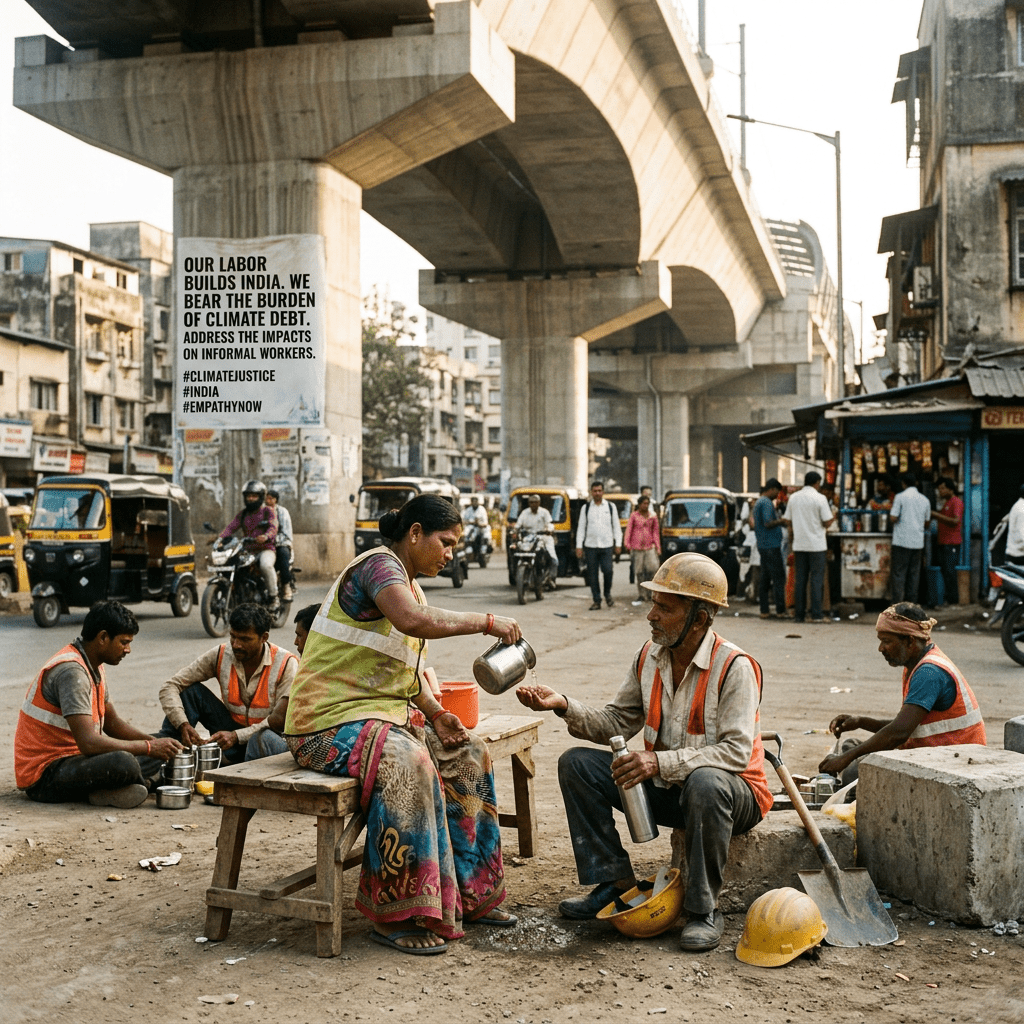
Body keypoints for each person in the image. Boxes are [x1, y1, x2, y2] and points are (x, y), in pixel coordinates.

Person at [283, 494, 522, 955]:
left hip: (376, 722)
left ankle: (471, 893)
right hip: (321, 726)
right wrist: (487, 621)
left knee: (469, 751)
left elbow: (404, 672)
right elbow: (414, 622)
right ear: (415, 533)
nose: (450, 553)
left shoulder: (412, 585)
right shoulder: (376, 567)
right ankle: (398, 912)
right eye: (445, 542)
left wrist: (436, 714)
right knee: (407, 760)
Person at [517, 553, 772, 953]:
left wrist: (657, 761)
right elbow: (617, 721)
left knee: (706, 781)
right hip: (673, 790)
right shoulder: (650, 656)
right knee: (577, 764)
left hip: (731, 797)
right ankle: (613, 881)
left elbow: (736, 754)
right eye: (653, 604)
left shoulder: (734, 666)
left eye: (664, 608)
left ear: (699, 619)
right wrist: (563, 705)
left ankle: (704, 909)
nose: (651, 615)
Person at [15, 601, 183, 807]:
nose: (128, 650)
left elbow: (113, 724)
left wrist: (155, 744)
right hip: (45, 775)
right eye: (124, 642)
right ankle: (139, 784)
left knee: (164, 741)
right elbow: (89, 743)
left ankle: (114, 789)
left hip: (78, 758)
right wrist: (148, 748)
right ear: (103, 637)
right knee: (125, 763)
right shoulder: (71, 672)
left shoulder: (93, 665)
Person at [819, 603, 985, 783]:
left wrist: (846, 759)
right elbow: (909, 725)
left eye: (887, 641)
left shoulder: (929, 672)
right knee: (849, 746)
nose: (881, 648)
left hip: (956, 763)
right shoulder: (916, 664)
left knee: (854, 770)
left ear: (910, 641)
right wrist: (861, 722)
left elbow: (899, 732)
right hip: (938, 754)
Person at [155, 603, 297, 763]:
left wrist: (237, 736)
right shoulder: (222, 654)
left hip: (266, 738)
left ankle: (235, 767)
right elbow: (170, 685)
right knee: (189, 692)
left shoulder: (286, 663)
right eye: (233, 636)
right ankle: (162, 761)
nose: (236, 644)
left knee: (263, 737)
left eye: (244, 639)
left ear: (264, 638)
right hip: (230, 730)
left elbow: (278, 721)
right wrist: (183, 724)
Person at [781, 472, 835, 623]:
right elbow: (826, 521)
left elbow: (787, 519)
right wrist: (831, 520)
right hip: (817, 546)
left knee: (800, 580)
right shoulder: (820, 498)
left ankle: (799, 615)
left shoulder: (794, 498)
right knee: (816, 580)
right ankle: (816, 615)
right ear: (817, 482)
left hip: (799, 545)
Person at [218, 479, 278, 602]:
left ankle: (274, 597)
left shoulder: (268, 511)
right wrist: (220, 539)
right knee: (233, 566)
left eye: (254, 496)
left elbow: (273, 527)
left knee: (266, 566)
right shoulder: (243, 514)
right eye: (248, 496)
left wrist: (266, 536)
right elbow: (231, 527)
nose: (250, 498)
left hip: (265, 549)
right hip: (248, 551)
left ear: (261, 497)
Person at [576, 480, 622, 610]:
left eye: (599, 491)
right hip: (590, 546)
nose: (597, 493)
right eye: (595, 491)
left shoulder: (610, 507)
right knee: (592, 575)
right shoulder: (586, 508)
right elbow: (581, 528)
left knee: (608, 571)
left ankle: (607, 593)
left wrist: (618, 544)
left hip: (607, 546)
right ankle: (597, 600)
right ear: (591, 492)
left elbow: (616, 527)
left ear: (603, 492)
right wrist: (579, 546)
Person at [889, 472, 931, 603]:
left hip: (901, 541)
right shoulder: (925, 500)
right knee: (914, 574)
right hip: (917, 542)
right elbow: (927, 522)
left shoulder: (900, 497)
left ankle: (897, 604)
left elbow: (893, 517)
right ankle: (911, 604)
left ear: (903, 484)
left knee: (899, 573)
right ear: (916, 484)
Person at [752, 478, 786, 619]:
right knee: (778, 577)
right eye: (777, 492)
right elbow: (768, 522)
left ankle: (764, 610)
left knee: (765, 577)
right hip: (771, 545)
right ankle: (780, 610)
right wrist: (782, 521)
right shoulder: (766, 502)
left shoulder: (759, 501)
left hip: (763, 545)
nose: (777, 496)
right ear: (771, 489)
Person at [932, 478, 964, 604]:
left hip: (952, 543)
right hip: (944, 542)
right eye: (939, 489)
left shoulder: (956, 502)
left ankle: (953, 600)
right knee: (946, 571)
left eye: (943, 488)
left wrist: (936, 515)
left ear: (951, 489)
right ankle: (948, 598)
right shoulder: (947, 503)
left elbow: (956, 521)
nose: (940, 491)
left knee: (950, 572)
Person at [624, 493, 660, 602]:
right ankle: (642, 594)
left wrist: (658, 547)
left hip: (649, 547)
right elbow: (629, 529)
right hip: (637, 547)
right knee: (639, 572)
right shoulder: (634, 516)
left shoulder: (652, 516)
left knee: (652, 569)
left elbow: (655, 532)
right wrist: (627, 543)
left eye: (647, 503)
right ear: (639, 504)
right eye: (644, 503)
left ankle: (651, 593)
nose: (646, 505)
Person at [265, 489, 295, 602]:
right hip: (264, 544)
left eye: (271, 498)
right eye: (266, 498)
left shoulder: (282, 512)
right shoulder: (262, 511)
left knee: (283, 554)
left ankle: (286, 585)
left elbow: (286, 533)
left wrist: (271, 539)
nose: (268, 501)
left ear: (276, 500)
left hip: (280, 543)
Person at [516, 493, 557, 565]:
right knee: (517, 548)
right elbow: (518, 524)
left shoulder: (544, 512)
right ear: (529, 503)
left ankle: (553, 565)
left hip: (543, 537)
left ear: (539, 503)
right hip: (529, 537)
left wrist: (549, 530)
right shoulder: (524, 513)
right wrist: (514, 530)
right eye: (531, 502)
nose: (533, 504)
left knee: (551, 552)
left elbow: (549, 524)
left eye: (535, 502)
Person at [462, 495, 490, 560]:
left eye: (475, 501)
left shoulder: (482, 509)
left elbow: (485, 523)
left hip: (481, 527)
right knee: (467, 531)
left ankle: (484, 548)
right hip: (472, 527)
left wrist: (479, 523)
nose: (474, 503)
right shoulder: (468, 510)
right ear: (471, 502)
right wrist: (472, 522)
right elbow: (464, 520)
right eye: (473, 501)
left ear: (477, 502)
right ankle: (469, 548)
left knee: (487, 531)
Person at [1006, 483, 1024, 570]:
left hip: (1014, 554)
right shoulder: (1022, 509)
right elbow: (1023, 534)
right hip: (1019, 556)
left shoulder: (1018, 505)